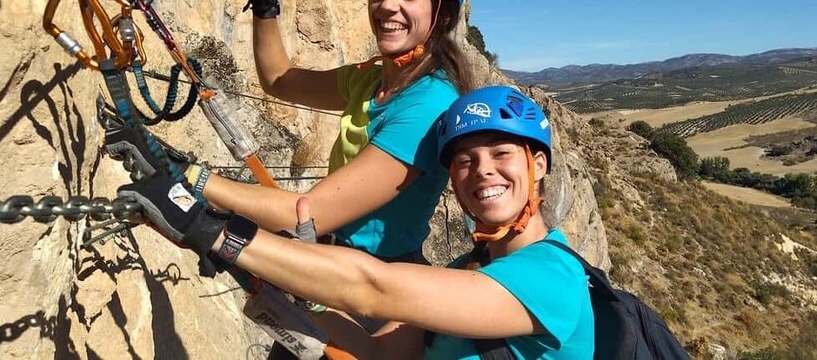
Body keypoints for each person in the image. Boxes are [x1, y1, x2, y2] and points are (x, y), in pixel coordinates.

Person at [118, 86, 596, 359]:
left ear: (538, 165)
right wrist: (297, 283)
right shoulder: (462, 272)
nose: (483, 170)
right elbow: (378, 355)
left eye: (501, 153)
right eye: (465, 161)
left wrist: (212, 230)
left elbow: (375, 289)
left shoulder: (553, 276)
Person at [108, 0, 475, 264]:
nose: (386, 5)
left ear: (442, 13)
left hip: (374, 283)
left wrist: (188, 174)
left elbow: (308, 214)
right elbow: (279, 79)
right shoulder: (373, 78)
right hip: (331, 258)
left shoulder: (431, 103)